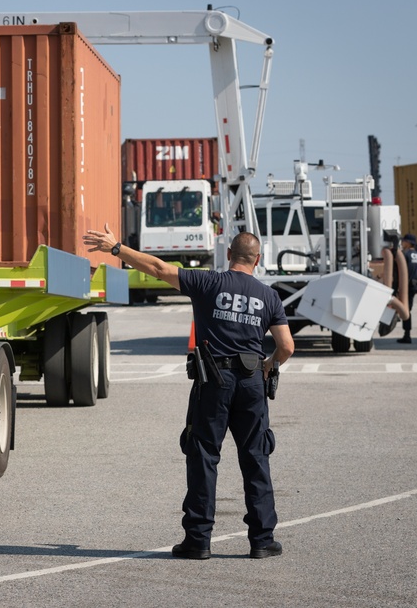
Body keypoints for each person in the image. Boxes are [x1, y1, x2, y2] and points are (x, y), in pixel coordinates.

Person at [82, 224, 295, 560]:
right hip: (252, 382)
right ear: (258, 260)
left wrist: (116, 248)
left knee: (204, 456)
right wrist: (268, 365)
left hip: (214, 380)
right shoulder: (269, 296)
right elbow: (286, 346)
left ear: (229, 255)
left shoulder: (209, 282)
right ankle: (262, 540)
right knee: (256, 457)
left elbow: (157, 268)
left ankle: (198, 541)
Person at [398, 233, 417, 344]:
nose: (402, 243)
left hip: (407, 285)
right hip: (415, 285)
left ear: (408, 243)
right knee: (408, 309)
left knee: (405, 310)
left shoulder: (405, 254)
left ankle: (407, 335)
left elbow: (402, 271)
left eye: (403, 241)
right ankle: (406, 334)